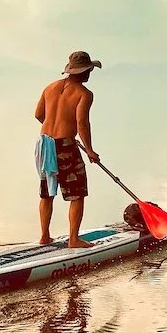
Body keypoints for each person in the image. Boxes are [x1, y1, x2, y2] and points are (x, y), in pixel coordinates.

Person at [35, 51, 101, 248]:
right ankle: (74, 239)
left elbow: (39, 115)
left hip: (44, 143)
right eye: (89, 70)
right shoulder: (84, 94)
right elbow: (82, 123)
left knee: (47, 191)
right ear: (84, 71)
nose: (90, 73)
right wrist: (89, 150)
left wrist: (54, 127)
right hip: (65, 145)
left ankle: (44, 236)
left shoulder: (49, 88)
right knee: (77, 193)